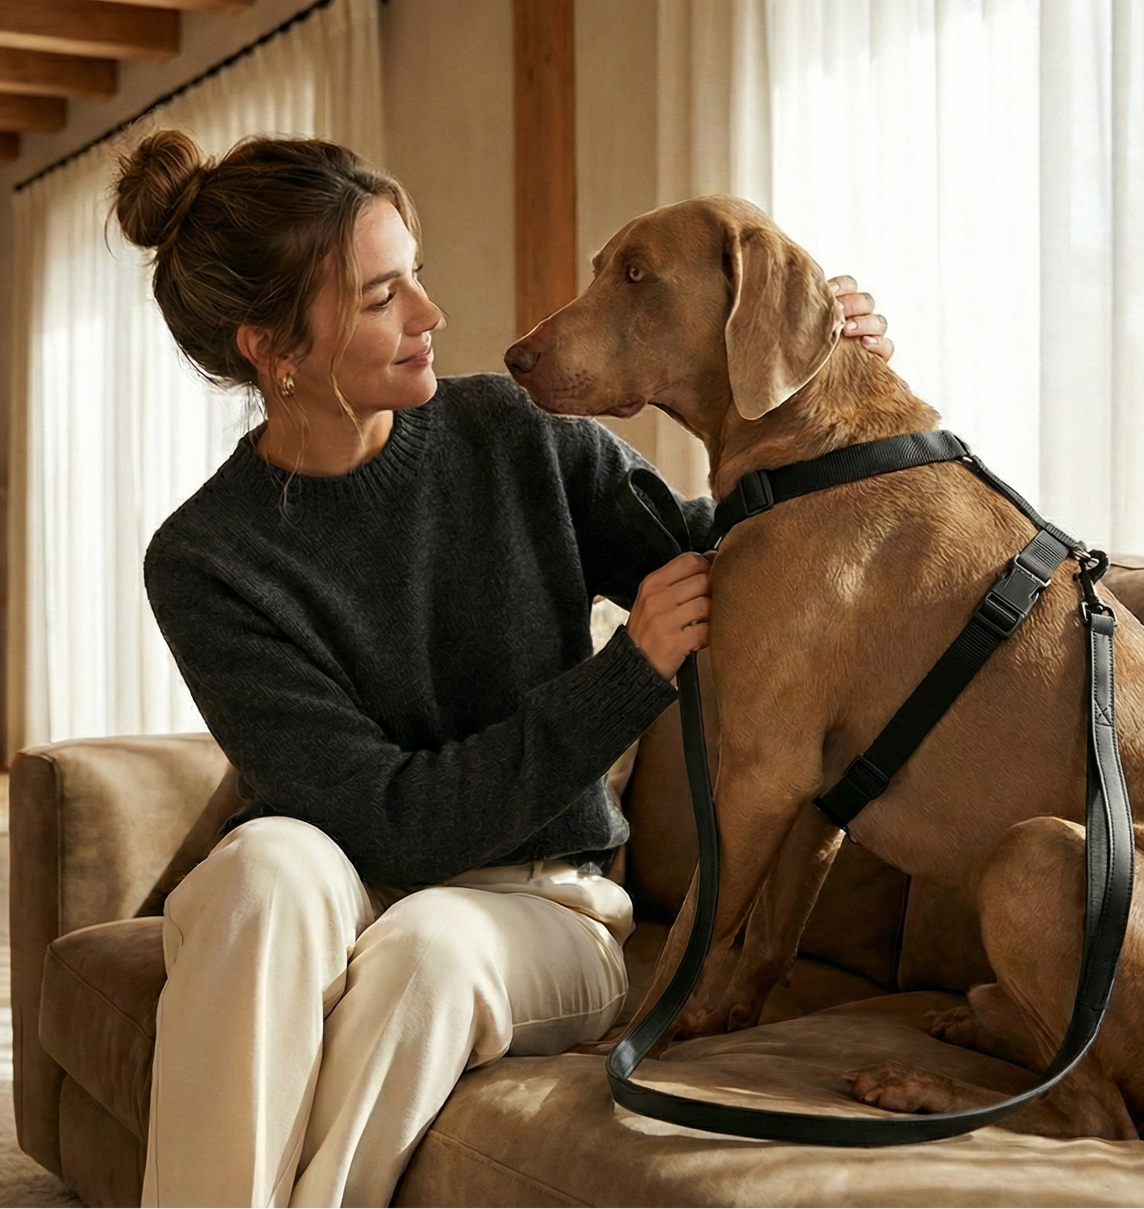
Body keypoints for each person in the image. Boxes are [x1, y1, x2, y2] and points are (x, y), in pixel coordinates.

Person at [113, 130, 893, 1208]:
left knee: (429, 946)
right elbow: (384, 820)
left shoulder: (515, 434)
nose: (431, 314)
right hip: (346, 880)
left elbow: (741, 558)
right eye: (383, 294)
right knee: (260, 867)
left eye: (415, 273)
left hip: (543, 910)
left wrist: (820, 371)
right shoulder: (206, 559)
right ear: (272, 348)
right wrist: (626, 673)